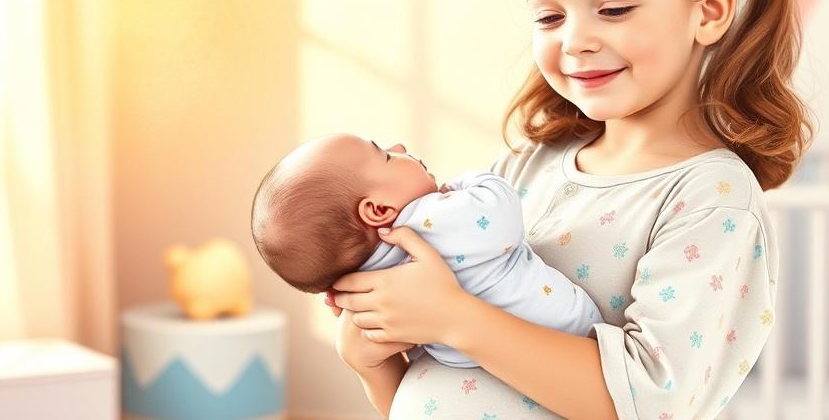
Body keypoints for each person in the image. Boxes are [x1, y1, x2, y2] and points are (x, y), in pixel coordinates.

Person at [326, 0, 814, 419]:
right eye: (549, 17)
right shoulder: (523, 169)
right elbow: (446, 386)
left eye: (612, 8)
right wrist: (376, 363)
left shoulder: (711, 200)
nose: (574, 40)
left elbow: (651, 401)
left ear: (707, 10)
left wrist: (454, 316)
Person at [250, 132, 604, 368]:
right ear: (378, 211)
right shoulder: (428, 219)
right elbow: (501, 212)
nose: (401, 148)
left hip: (481, 362)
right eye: (386, 157)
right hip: (569, 329)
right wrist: (472, 182)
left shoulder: (373, 280)